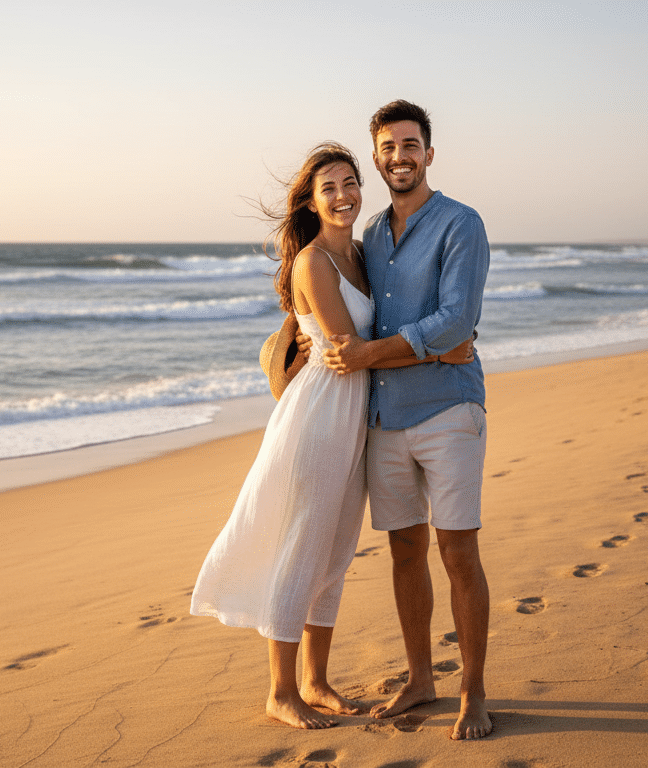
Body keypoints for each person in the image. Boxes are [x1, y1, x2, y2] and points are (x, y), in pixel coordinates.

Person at [191, 142, 471, 730]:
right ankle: (281, 691)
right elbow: (351, 351)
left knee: (337, 551)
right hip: (320, 416)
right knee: (304, 544)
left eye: (350, 184)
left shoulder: (364, 255)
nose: (344, 196)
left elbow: (386, 330)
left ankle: (316, 681)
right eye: (330, 188)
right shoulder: (314, 262)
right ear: (312, 202)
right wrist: (443, 351)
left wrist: (438, 338)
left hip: (358, 418)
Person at [323, 100, 494, 740]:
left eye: (411, 144)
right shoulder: (369, 236)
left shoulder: (461, 224)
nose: (400, 156)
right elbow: (355, 306)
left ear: (429, 152)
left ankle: (472, 693)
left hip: (449, 407)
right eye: (389, 147)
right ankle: (422, 679)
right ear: (377, 157)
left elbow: (456, 320)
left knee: (457, 550)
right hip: (386, 416)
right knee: (403, 551)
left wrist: (369, 354)